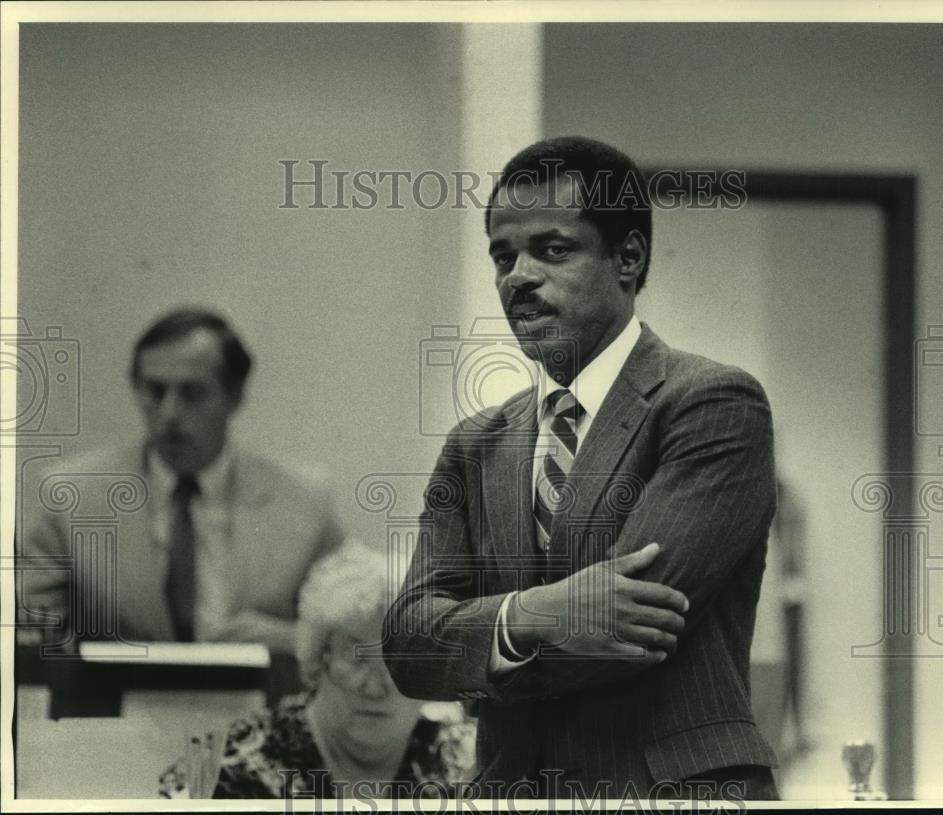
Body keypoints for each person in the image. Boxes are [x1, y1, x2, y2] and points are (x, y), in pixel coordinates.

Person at [383, 137, 779, 800]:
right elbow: (407, 649)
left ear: (628, 258)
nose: (518, 276)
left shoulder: (710, 403)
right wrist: (533, 613)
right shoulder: (474, 444)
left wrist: (482, 636)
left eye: (552, 248)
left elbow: (625, 627)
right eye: (503, 255)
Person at [20, 308, 343, 650]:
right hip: (110, 700)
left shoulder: (304, 500)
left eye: (192, 393)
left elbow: (350, 634)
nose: (169, 414)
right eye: (154, 391)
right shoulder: (69, 495)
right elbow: (30, 640)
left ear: (235, 395)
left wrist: (292, 641)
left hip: (257, 699)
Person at [159, 542, 477, 799]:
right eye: (356, 660)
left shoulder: (469, 761)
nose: (376, 688)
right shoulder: (234, 766)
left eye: (400, 666)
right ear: (316, 660)